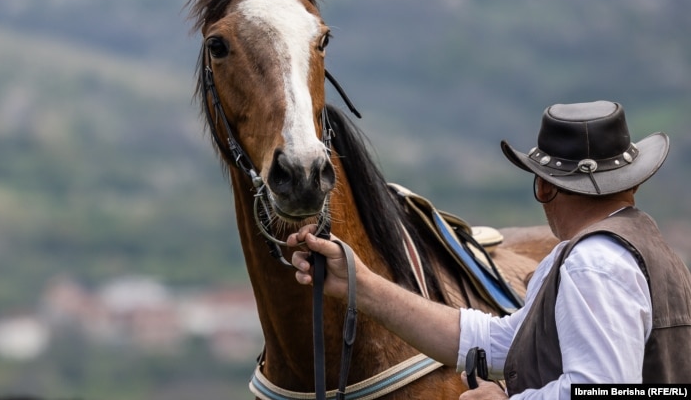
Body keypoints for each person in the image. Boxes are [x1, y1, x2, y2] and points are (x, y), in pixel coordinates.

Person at [288, 101, 691, 399]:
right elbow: (498, 342)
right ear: (632, 182)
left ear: (544, 186)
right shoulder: (642, 250)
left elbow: (600, 391)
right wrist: (361, 283)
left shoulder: (591, 265)